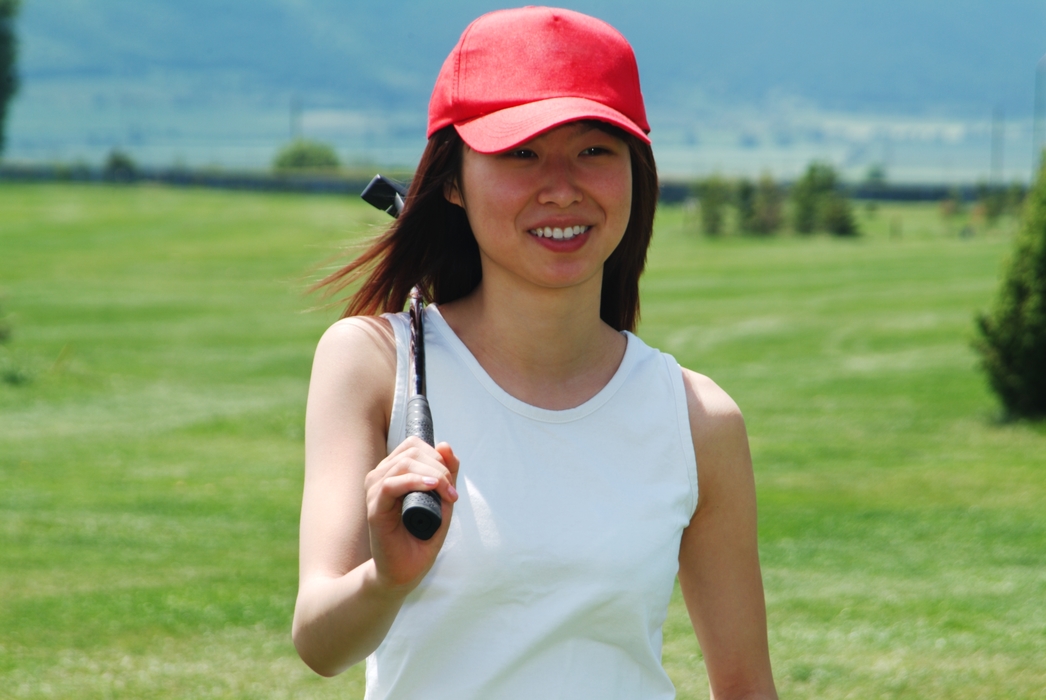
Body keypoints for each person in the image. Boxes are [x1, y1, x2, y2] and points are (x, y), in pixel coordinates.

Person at [292, 7, 777, 699]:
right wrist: (386, 578)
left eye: (593, 150)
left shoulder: (700, 419)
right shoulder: (372, 363)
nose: (561, 186)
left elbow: (746, 687)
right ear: (451, 180)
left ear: (636, 173)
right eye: (521, 153)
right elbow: (319, 641)